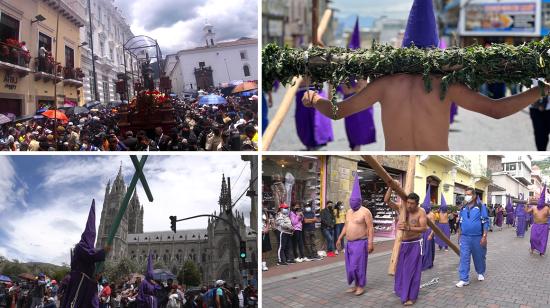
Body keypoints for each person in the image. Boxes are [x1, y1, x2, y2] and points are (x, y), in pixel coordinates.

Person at [301, 0, 550, 151]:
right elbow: (495, 110)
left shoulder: (385, 84)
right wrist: (542, 89)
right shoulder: (445, 85)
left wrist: (314, 100)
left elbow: (338, 111)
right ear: (436, 50)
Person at [60, 200, 110, 308]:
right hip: (79, 282)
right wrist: (103, 251)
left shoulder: (88, 248)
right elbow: (89, 256)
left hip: (87, 283)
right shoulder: (81, 246)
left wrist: (96, 278)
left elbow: (91, 263)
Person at [385, 183, 427, 306]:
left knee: (412, 271)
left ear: (417, 204)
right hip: (402, 244)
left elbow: (424, 228)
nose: (409, 205)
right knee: (401, 270)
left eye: (412, 203)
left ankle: (412, 296)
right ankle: (401, 290)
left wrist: (409, 228)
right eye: (407, 202)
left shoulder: (421, 212)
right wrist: (391, 187)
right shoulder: (402, 208)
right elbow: (387, 200)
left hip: (414, 244)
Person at [336, 173, 374, 296]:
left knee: (358, 266)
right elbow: (346, 226)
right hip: (349, 244)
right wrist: (339, 238)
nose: (353, 202)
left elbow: (370, 228)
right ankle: (355, 285)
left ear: (360, 201)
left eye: (355, 200)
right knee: (351, 266)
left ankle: (360, 286)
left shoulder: (365, 212)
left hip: (360, 242)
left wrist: (370, 243)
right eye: (351, 201)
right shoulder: (348, 212)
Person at [456, 188, 489, 287]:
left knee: (479, 257)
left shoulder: (480, 206)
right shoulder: (463, 208)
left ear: (474, 196)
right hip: (465, 238)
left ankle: (480, 272)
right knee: (464, 258)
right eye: (466, 194)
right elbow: (460, 223)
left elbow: (485, 222)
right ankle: (464, 279)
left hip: (477, 237)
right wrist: (459, 236)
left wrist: (484, 236)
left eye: (469, 194)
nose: (467, 196)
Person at [526, 186, 550, 256]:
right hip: (535, 225)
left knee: (543, 240)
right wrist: (527, 205)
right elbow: (527, 211)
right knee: (533, 238)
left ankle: (542, 252)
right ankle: (532, 248)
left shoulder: (547, 208)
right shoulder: (534, 207)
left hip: (544, 226)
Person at [419, 186, 435, 271]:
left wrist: (431, 235)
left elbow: (434, 227)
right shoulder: (421, 212)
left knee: (428, 248)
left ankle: (428, 263)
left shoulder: (431, 215)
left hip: (428, 233)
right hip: (422, 232)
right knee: (422, 248)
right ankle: (421, 262)